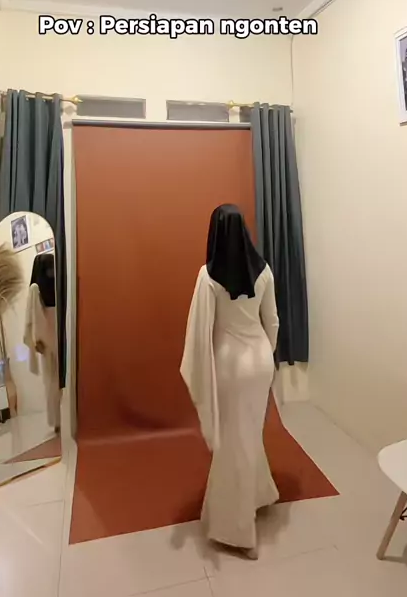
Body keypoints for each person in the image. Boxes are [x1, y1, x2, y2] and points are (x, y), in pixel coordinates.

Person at [180, 204, 279, 559]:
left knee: (233, 445)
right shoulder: (264, 270)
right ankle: (260, 494)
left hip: (230, 368)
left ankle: (240, 532)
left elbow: (200, 331)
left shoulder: (208, 276)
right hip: (260, 363)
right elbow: (273, 322)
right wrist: (265, 356)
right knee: (248, 435)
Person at [24, 253, 61, 432]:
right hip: (47, 340)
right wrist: (35, 340)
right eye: (48, 268)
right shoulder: (35, 289)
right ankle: (57, 422)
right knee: (51, 383)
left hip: (60, 335)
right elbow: (31, 317)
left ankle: (67, 417)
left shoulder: (59, 283)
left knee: (62, 380)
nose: (51, 272)